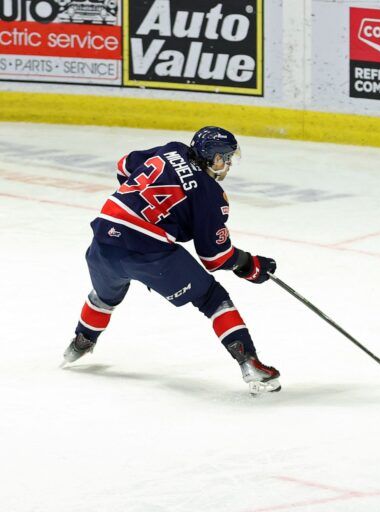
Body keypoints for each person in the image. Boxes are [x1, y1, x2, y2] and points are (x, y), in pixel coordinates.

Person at [63, 127, 282, 394]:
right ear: (212, 158)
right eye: (225, 157)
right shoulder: (210, 194)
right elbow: (215, 257)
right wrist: (250, 265)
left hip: (103, 240)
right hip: (148, 251)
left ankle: (80, 343)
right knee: (212, 298)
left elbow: (124, 165)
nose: (227, 164)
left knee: (104, 295)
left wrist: (141, 205)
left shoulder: (172, 149)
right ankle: (249, 363)